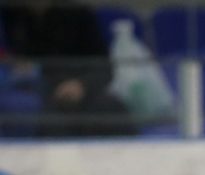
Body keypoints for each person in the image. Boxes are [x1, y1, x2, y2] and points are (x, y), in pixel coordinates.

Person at [0, 1, 135, 137]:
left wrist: (81, 85)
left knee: (110, 110)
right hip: (39, 91)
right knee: (40, 116)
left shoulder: (79, 14)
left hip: (83, 89)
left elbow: (104, 67)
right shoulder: (11, 13)